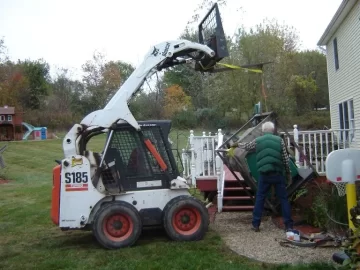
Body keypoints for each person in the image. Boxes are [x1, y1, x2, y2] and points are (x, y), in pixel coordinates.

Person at [231, 121, 293, 232]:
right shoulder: (280, 141)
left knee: (260, 198)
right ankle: (288, 226)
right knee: (283, 199)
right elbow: (285, 159)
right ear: (273, 130)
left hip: (264, 175)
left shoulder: (258, 141)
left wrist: (237, 144)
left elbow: (246, 146)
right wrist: (288, 174)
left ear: (263, 131)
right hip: (278, 174)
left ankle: (256, 224)